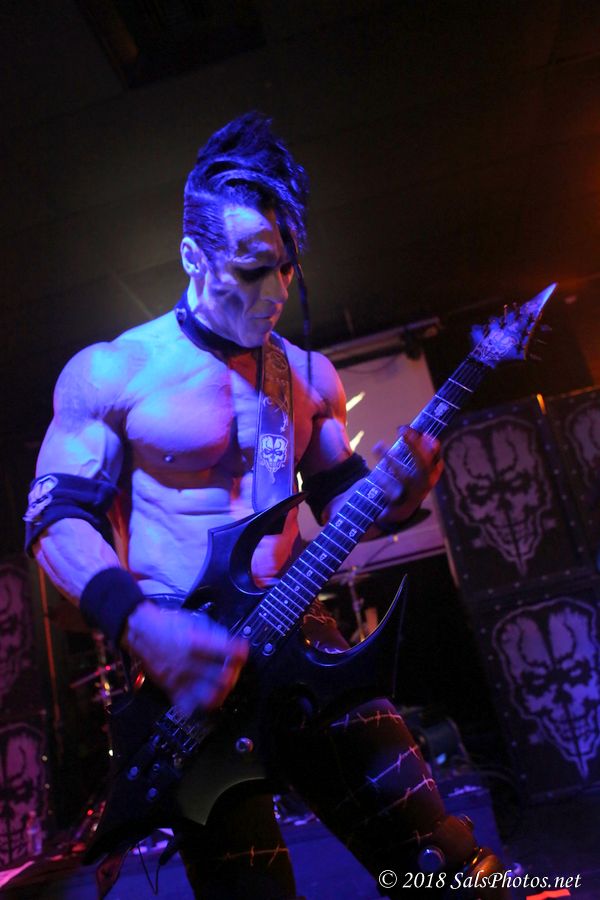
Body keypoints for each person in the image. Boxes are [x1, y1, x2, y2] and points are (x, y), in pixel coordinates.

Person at [26, 113, 508, 899]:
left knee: (445, 865)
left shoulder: (309, 376)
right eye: (252, 270)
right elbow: (54, 523)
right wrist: (141, 626)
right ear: (193, 256)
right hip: (186, 669)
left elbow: (344, 503)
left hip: (300, 636)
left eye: (287, 267)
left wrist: (402, 495)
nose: (277, 292)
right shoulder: (115, 371)